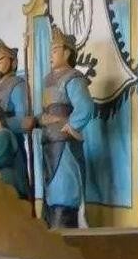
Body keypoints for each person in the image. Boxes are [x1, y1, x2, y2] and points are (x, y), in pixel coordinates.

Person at [23, 26, 95, 228]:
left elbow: (85, 107)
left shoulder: (73, 77)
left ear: (67, 52)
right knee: (50, 195)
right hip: (47, 144)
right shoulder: (47, 80)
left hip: (65, 145)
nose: (51, 55)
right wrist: (35, 121)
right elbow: (46, 113)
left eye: (55, 50)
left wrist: (70, 126)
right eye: (50, 51)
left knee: (64, 193)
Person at [0, 39, 30, 198]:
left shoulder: (17, 84)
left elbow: (22, 119)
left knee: (15, 186)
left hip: (12, 142)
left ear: (13, 62)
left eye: (1, 59)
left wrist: (1, 123)